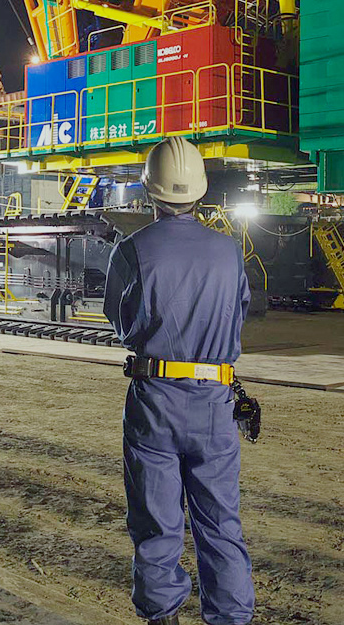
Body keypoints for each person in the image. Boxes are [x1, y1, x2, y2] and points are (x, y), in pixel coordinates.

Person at [104, 137, 253, 625]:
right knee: (220, 524)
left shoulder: (132, 250)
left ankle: (161, 615)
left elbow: (121, 323)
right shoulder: (229, 252)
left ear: (150, 190)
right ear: (201, 191)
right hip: (214, 401)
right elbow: (240, 315)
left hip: (154, 402)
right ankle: (230, 618)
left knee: (157, 524)